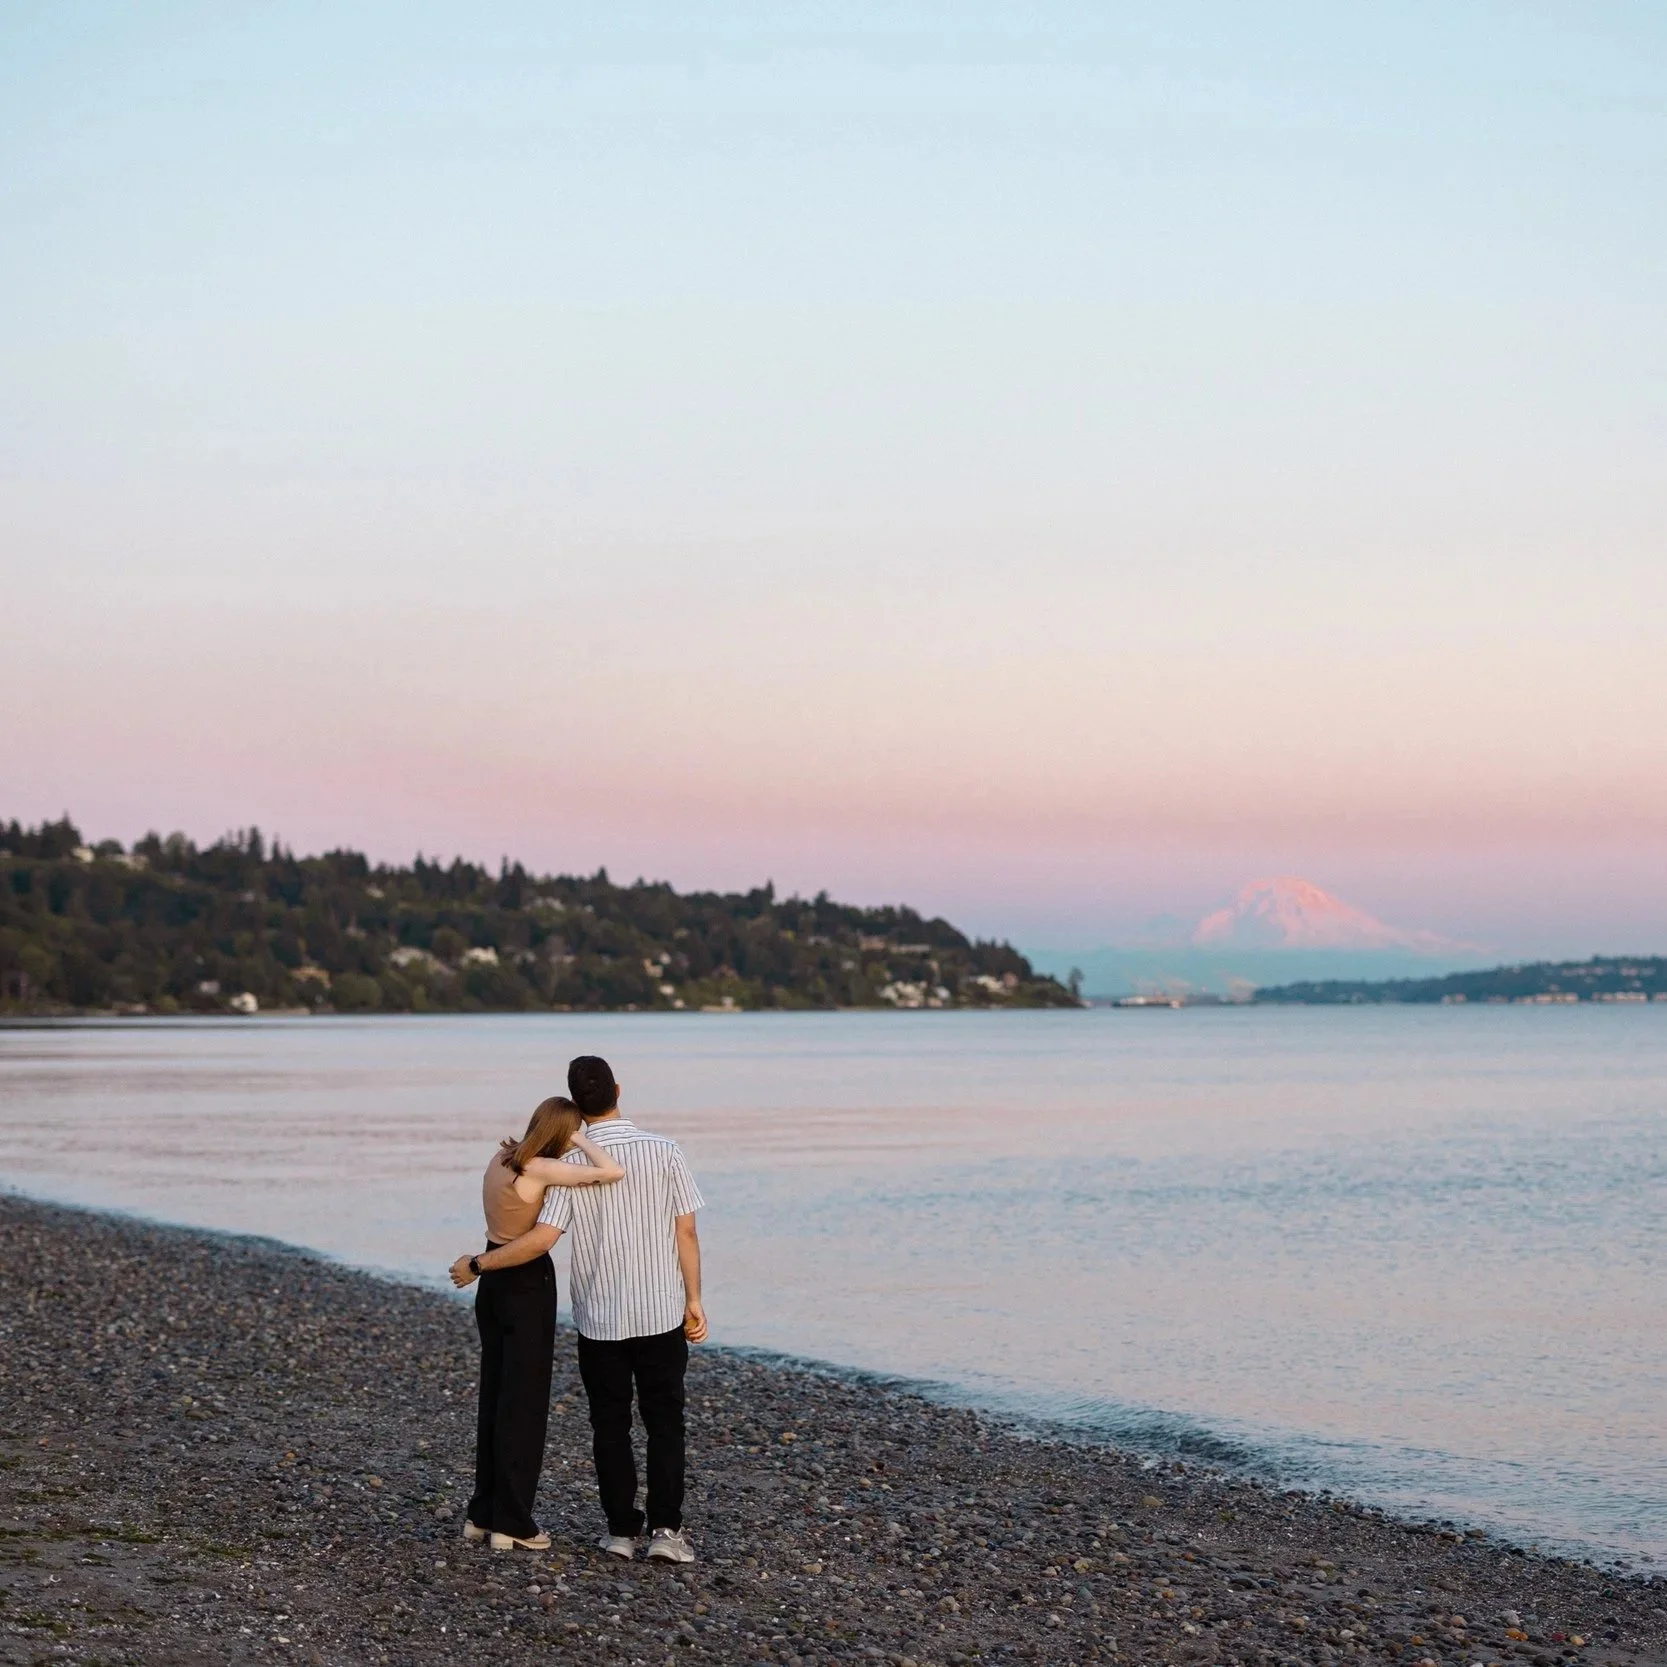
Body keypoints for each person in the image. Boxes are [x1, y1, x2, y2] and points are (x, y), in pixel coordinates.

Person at [468, 1054, 706, 1564]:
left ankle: (621, 1531)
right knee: (665, 1423)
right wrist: (694, 1300)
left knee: (610, 1424)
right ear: (619, 1088)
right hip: (660, 1309)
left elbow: (546, 1235)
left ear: (576, 1102)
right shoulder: (665, 1151)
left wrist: (481, 1262)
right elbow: (685, 1231)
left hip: (599, 1317)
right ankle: (666, 1532)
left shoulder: (568, 1166)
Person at [447, 1096, 624, 1552]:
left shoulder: (500, 1158)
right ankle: (513, 1523)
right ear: (560, 1133)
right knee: (522, 1407)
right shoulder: (541, 1169)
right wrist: (581, 1137)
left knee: (495, 1396)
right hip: (524, 1284)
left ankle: (482, 1512)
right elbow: (610, 1171)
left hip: (493, 1290)